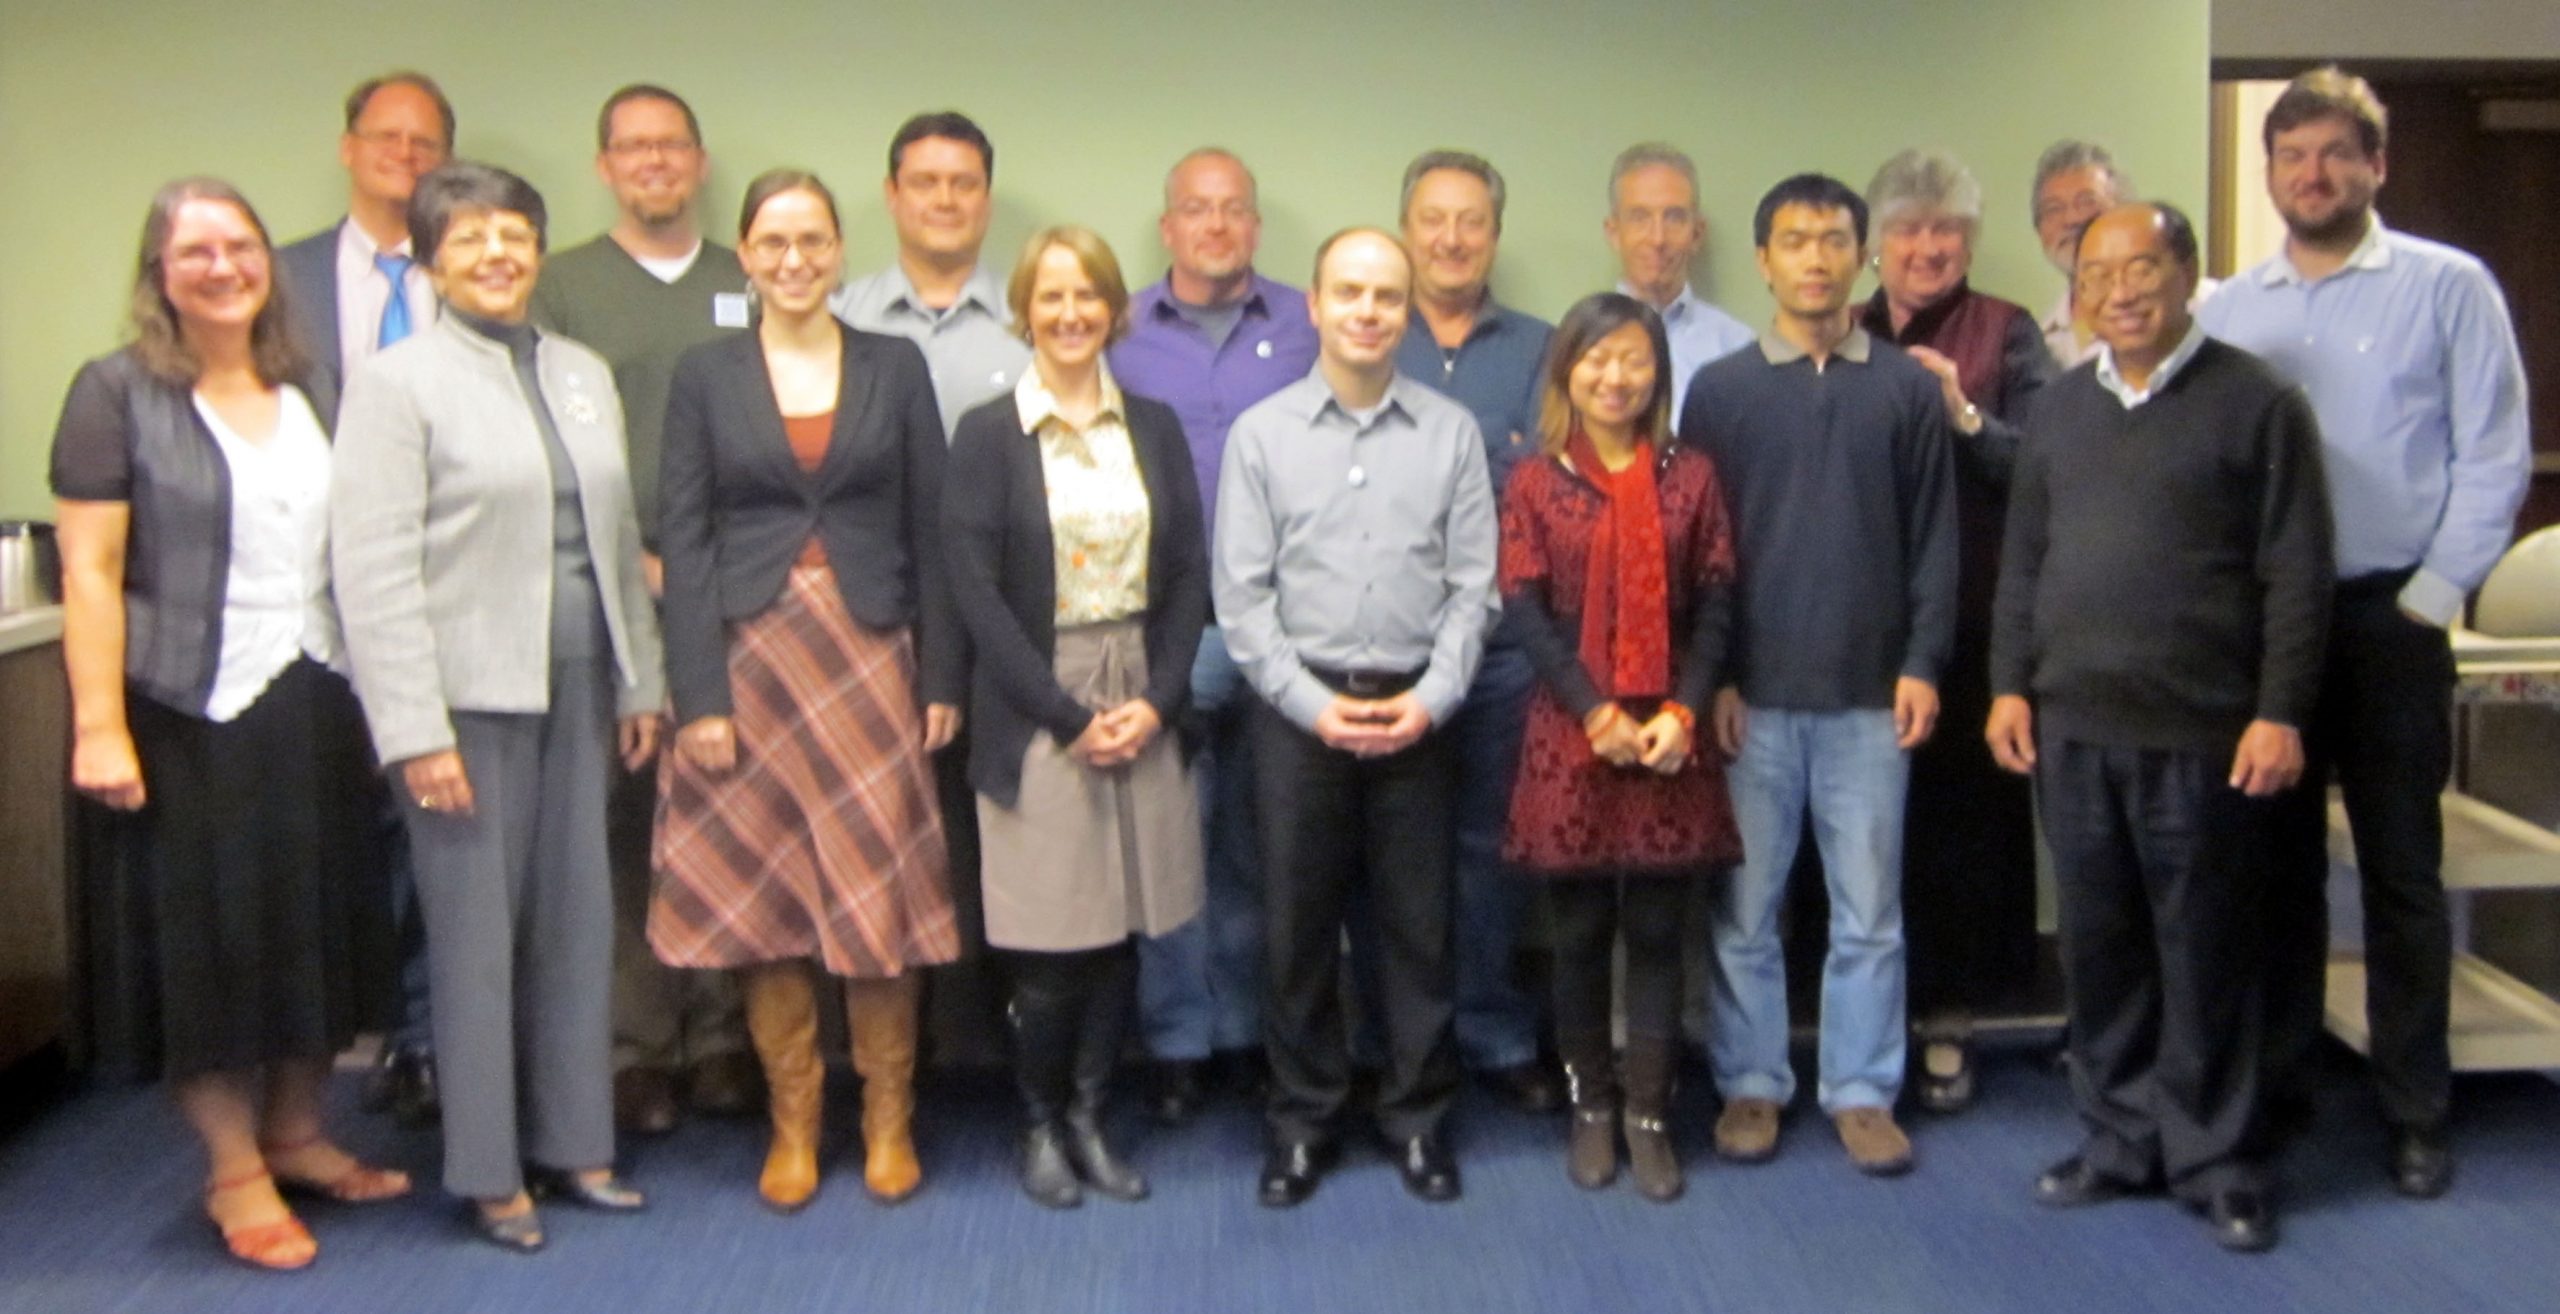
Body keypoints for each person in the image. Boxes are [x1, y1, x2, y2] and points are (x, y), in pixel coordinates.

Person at [51, 178, 405, 1273]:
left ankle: (297, 1133)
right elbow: (92, 571)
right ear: (159, 272)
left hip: (316, 698)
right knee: (207, 950)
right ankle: (232, 1169)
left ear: (266, 262)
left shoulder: (315, 385)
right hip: (182, 713)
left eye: (239, 246)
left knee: (317, 924)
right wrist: (98, 722)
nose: (221, 267)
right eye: (194, 251)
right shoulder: (116, 392)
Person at [2199, 66, 2532, 1200]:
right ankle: (2287, 1087)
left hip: (2391, 616)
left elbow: (2492, 451)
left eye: (2335, 153)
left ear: (2374, 166)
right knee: (2276, 871)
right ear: (2270, 173)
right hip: (2269, 631)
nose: (2312, 174)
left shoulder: (2448, 287)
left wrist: (2432, 598)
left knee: (2400, 870)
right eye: (2291, 156)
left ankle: (2413, 1109)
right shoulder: (2229, 308)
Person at [331, 161, 665, 1252]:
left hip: (578, 685)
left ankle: (577, 1144)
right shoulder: (398, 382)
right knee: (475, 940)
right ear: (431, 259)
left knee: (578, 927)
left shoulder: (578, 370)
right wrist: (413, 730)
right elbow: (370, 571)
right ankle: (486, 1170)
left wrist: (641, 678)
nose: (496, 255)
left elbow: (616, 544)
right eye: (469, 238)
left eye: (515, 235)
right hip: (465, 703)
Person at [1990, 201, 2332, 1253]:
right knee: (2101, 950)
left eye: (2145, 267)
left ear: (2187, 274)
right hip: (2075, 727)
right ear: (2079, 291)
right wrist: (2009, 685)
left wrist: (2279, 711)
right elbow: (2024, 561)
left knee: (2205, 950)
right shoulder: (2056, 408)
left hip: (2204, 733)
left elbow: (2295, 575)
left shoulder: (2254, 403)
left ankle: (2214, 1157)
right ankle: (2116, 1140)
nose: (2123, 290)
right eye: (2100, 273)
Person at [651, 170, 961, 1214]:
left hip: (873, 656)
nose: (793, 260)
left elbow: (933, 529)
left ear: (838, 251)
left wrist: (944, 674)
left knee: (876, 891)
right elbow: (685, 543)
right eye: (773, 242)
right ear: (744, 253)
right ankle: (795, 1121)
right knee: (766, 896)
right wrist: (695, 693)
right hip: (747, 662)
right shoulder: (705, 375)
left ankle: (887, 1119)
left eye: (813, 241)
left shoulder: (894, 363)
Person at [1216, 227, 1498, 1208]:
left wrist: (1430, 699)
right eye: (1350, 292)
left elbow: (1476, 592)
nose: (1368, 311)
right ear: (1317, 305)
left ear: (1406, 305)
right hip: (1298, 718)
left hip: (1421, 711)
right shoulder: (1263, 435)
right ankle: (1302, 1123)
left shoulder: (1452, 433)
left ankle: (1417, 1120)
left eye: (1386, 294)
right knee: (1295, 932)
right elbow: (1242, 604)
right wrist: (1310, 703)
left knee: (1420, 930)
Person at [1684, 174, 1955, 1177]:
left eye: (1833, 239)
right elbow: (1702, 552)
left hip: (1869, 703)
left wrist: (1922, 663)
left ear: (1860, 255)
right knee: (1744, 912)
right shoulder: (1718, 391)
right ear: (1762, 260)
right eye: (1793, 240)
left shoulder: (1902, 389)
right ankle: (1751, 1083)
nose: (1813, 257)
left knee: (1868, 913)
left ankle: (1860, 1090)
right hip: (1748, 702)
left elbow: (1935, 543)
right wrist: (1709, 676)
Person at [948, 226, 1210, 1208]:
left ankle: (1093, 1120)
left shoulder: (1153, 425)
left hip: (1141, 684)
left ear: (1113, 309)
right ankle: (1040, 1126)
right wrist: (1066, 716)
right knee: (1054, 946)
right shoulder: (987, 435)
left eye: (1086, 296)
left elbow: (1187, 576)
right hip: (1034, 701)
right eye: (1049, 297)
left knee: (1123, 935)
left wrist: (1158, 699)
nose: (1068, 314)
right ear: (1025, 311)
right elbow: (975, 596)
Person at [528, 82, 755, 1136]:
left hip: (739, 595)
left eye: (672, 145)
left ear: (699, 162)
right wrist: (641, 566)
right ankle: (636, 1048)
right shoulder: (561, 287)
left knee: (727, 814)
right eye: (633, 148)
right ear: (604, 166)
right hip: (616, 598)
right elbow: (548, 453)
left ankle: (720, 1041)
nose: (654, 162)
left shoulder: (746, 276)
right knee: (624, 828)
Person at [1497, 293, 1740, 1201]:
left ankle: (1648, 1112)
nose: (1616, 376)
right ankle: (1590, 1107)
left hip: (1672, 733)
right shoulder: (1535, 478)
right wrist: (1594, 710)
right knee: (1579, 935)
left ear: (1657, 373)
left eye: (1634, 360)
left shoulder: (1692, 475)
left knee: (1658, 933)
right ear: (1567, 370)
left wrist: (1683, 710)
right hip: (1576, 731)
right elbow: (1522, 603)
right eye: (1597, 360)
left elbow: (1718, 597)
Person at [1107, 147, 1317, 1122]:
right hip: (1168, 620)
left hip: (1286, 616)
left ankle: (1242, 1032)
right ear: (1168, 226)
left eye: (1234, 208)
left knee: (1259, 842)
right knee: (1172, 834)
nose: (1217, 225)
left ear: (1256, 225)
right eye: (1197, 208)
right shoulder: (1120, 333)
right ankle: (1178, 1041)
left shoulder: (1308, 326)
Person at [273, 69, 455, 1125]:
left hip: (450, 595)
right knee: (347, 834)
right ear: (347, 148)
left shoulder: (479, 276)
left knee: (432, 821)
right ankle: (350, 1041)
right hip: (311, 613)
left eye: (424, 141)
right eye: (385, 137)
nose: (404, 154)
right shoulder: (282, 280)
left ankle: (426, 1042)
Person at [1856, 148, 2054, 1113]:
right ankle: (1860, 1023)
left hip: (1974, 621)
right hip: (1858, 631)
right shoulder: (1844, 331)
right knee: (1858, 828)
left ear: (1969, 240)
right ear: (1875, 244)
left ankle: (1949, 1017)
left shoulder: (2006, 333)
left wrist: (1963, 414)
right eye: (1907, 229)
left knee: (1957, 830)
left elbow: (2053, 467)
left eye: (1946, 230)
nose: (1927, 248)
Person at [832, 110, 1028, 1066]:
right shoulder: (842, 319)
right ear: (892, 195)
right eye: (925, 182)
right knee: (881, 842)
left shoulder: (1035, 319)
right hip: (880, 623)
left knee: (992, 834)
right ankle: (887, 1062)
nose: (945, 200)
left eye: (963, 184)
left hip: (1013, 631)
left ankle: (990, 1052)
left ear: (986, 198)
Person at [1393, 149, 1559, 1113]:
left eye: (1472, 221)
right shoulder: (1366, 330)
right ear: (1407, 228)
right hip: (1385, 649)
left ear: (1495, 235)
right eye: (1433, 220)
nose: (1451, 239)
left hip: (1501, 649)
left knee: (1493, 849)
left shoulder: (1542, 348)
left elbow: (1546, 492)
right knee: (1391, 860)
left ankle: (1496, 1036)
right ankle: (1394, 1039)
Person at [1603, 143, 1756, 418]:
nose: (1658, 238)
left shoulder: (1737, 347)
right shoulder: (1578, 346)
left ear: (1697, 233)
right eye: (1640, 218)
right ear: (1613, 232)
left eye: (1674, 218)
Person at [2028, 141, 2133, 368]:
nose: (2072, 220)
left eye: (2087, 202)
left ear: (2123, 212)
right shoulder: (2041, 341)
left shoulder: (2189, 307)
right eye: (2054, 209)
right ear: (2039, 230)